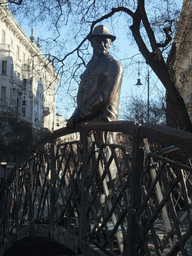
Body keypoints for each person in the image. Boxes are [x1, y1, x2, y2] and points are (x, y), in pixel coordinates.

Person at [67, 25, 123, 180]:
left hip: (102, 125)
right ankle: (88, 200)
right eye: (98, 41)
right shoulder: (90, 66)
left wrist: (81, 115)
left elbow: (105, 97)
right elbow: (83, 96)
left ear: (110, 43)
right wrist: (76, 114)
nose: (102, 45)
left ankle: (106, 201)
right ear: (92, 42)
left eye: (105, 41)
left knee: (102, 170)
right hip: (87, 125)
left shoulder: (113, 65)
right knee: (88, 169)